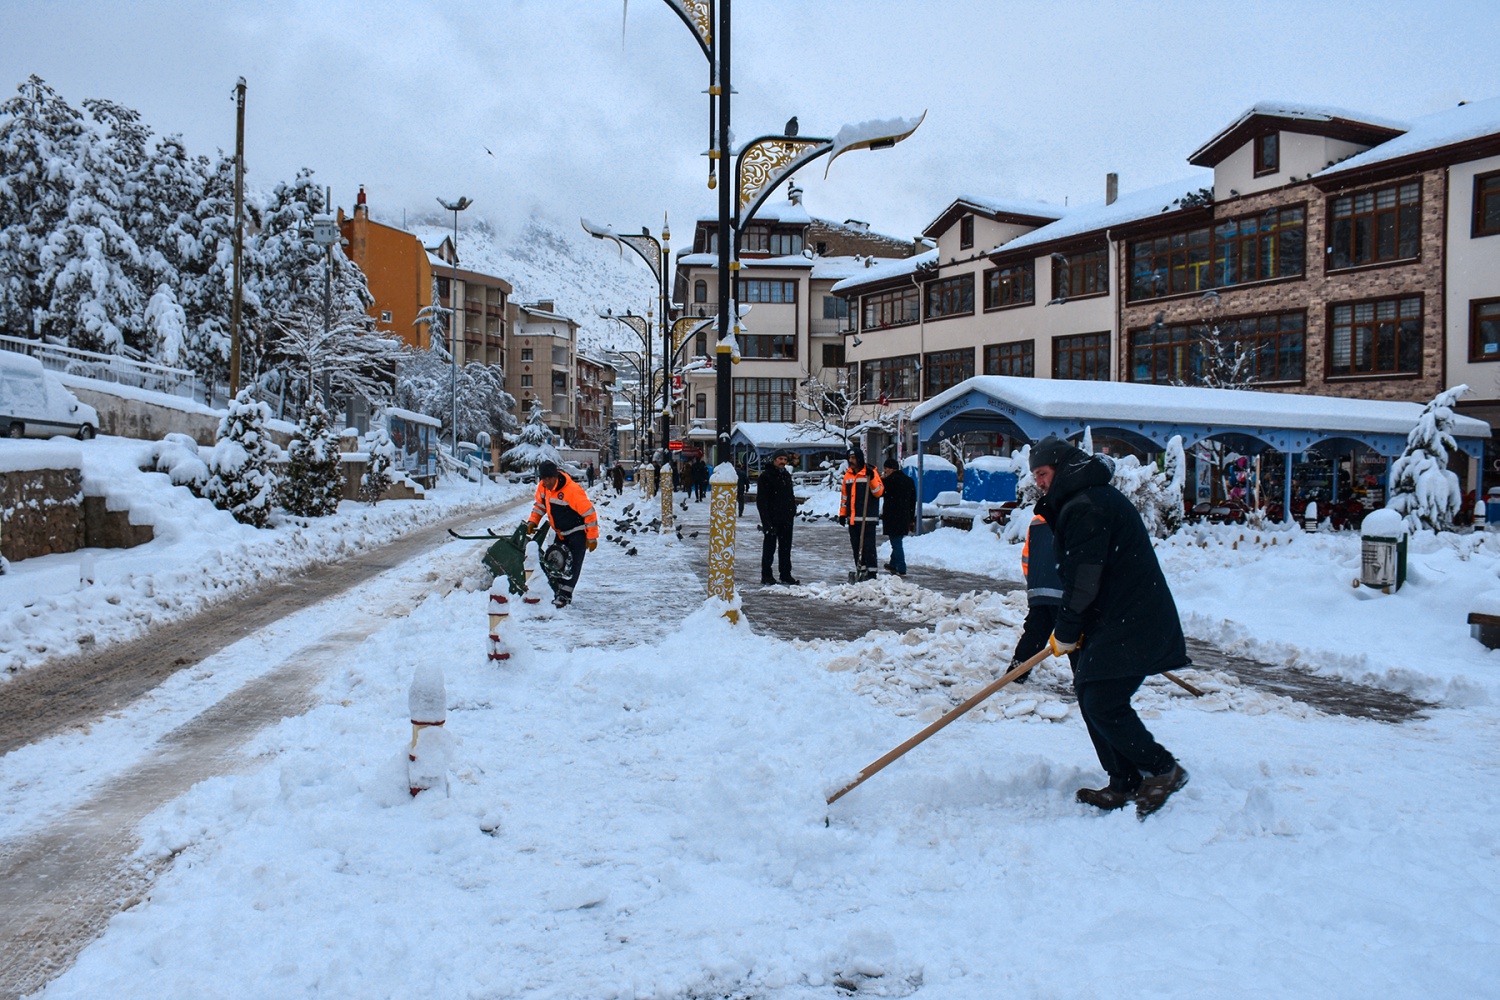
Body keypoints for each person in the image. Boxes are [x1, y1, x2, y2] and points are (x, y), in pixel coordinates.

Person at [1029, 436, 1190, 819]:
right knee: (1091, 695)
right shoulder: (1080, 501)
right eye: (1035, 475)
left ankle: (1164, 769)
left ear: (1062, 467)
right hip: (1115, 617)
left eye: (1043, 473)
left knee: (1102, 700)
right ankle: (1124, 781)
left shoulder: (1087, 505)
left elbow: (1084, 579)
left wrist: (1068, 630)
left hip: (1134, 618)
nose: (1039, 482)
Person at [526, 460, 599, 608]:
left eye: (548, 479)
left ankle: (565, 596)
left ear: (556, 476)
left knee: (573, 565)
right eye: (543, 479)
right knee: (558, 561)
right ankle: (556, 590)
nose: (546, 482)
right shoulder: (543, 487)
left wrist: (592, 537)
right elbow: (540, 506)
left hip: (577, 532)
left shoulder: (572, 490)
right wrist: (533, 521)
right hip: (560, 532)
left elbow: (590, 514)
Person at [839, 446, 883, 579]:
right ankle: (861, 569)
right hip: (853, 518)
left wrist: (872, 478)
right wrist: (842, 513)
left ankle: (871, 571)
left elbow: (878, 492)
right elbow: (844, 497)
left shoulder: (870, 472)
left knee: (868, 546)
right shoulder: (848, 475)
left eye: (853, 458)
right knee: (856, 547)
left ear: (859, 458)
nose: (851, 461)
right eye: (849, 458)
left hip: (867, 517)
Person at [756, 449, 800, 585]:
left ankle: (785, 574)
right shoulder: (766, 476)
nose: (783, 462)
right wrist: (766, 522)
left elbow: (789, 495)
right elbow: (762, 501)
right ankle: (766, 575)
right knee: (769, 548)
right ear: (774, 460)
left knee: (785, 548)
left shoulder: (786, 475)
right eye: (780, 459)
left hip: (786, 518)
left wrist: (792, 509)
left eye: (785, 460)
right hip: (772, 518)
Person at [879, 456, 915, 576]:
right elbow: (913, 500)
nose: (885, 472)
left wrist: (881, 479)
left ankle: (901, 565)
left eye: (885, 469)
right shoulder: (909, 480)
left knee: (896, 542)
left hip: (892, 515)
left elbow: (878, 492)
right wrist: (911, 518)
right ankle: (893, 563)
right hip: (904, 515)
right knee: (897, 539)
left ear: (890, 469)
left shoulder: (888, 481)